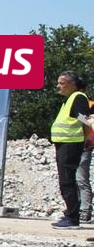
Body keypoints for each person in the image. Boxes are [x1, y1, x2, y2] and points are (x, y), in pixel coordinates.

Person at [50, 70, 91, 229]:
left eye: (62, 83)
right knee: (66, 180)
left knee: (67, 181)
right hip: (65, 143)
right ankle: (71, 215)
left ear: (72, 84)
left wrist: (89, 130)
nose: (58, 86)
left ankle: (72, 218)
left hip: (70, 144)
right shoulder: (69, 100)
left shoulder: (78, 97)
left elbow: (83, 117)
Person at [77, 88, 94, 224]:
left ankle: (85, 210)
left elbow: (89, 122)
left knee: (81, 179)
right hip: (73, 145)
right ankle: (75, 209)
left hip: (84, 146)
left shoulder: (90, 105)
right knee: (73, 180)